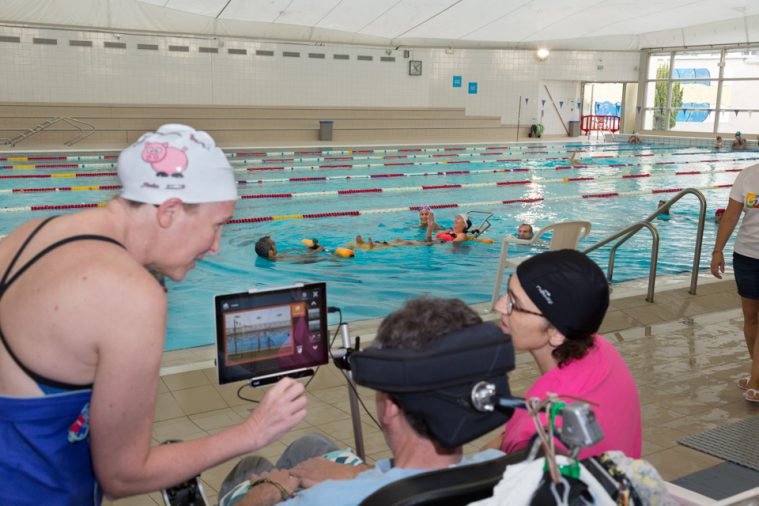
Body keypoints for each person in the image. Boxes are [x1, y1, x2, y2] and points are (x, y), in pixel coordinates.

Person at [0, 124, 307, 505]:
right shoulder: (132, 295)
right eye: (216, 226)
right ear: (170, 211)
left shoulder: (29, 236)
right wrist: (255, 431)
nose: (215, 246)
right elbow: (123, 475)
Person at [218, 297, 511, 506]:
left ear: (391, 407)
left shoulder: (325, 499)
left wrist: (270, 489)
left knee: (250, 467)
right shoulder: (503, 468)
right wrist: (359, 473)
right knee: (310, 445)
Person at [486, 249, 642, 459]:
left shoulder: (539, 432)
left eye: (515, 304)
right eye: (508, 290)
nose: (499, 306)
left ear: (557, 333)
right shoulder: (600, 349)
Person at [711, 162, 759, 402]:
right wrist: (717, 250)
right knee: (750, 317)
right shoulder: (748, 175)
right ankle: (757, 374)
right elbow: (730, 215)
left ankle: (757, 381)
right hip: (747, 256)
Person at [255, 236, 325, 261]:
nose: (275, 244)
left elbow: (289, 251)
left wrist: (308, 249)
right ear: (270, 252)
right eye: (273, 244)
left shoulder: (277, 256)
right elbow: (302, 258)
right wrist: (316, 251)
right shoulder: (280, 259)